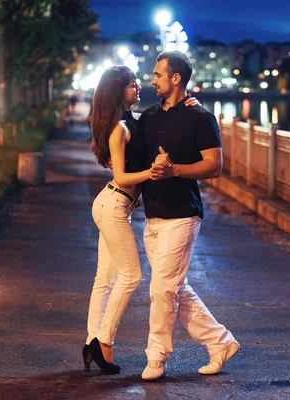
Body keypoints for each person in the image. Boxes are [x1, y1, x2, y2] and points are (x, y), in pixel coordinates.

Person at [83, 66, 200, 374]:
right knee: (130, 276)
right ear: (117, 90)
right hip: (114, 203)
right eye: (131, 84)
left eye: (137, 83)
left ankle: (91, 340)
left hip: (114, 205)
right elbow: (121, 177)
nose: (139, 87)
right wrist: (153, 172)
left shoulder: (131, 121)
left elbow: (158, 115)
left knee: (104, 279)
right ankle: (102, 342)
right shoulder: (119, 129)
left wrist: (192, 104)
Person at [139, 51, 239, 381]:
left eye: (157, 75)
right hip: (153, 214)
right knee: (174, 288)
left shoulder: (200, 118)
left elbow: (214, 166)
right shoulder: (149, 117)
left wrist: (175, 171)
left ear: (176, 79)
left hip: (183, 213)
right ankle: (220, 342)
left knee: (163, 288)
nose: (152, 80)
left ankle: (156, 356)